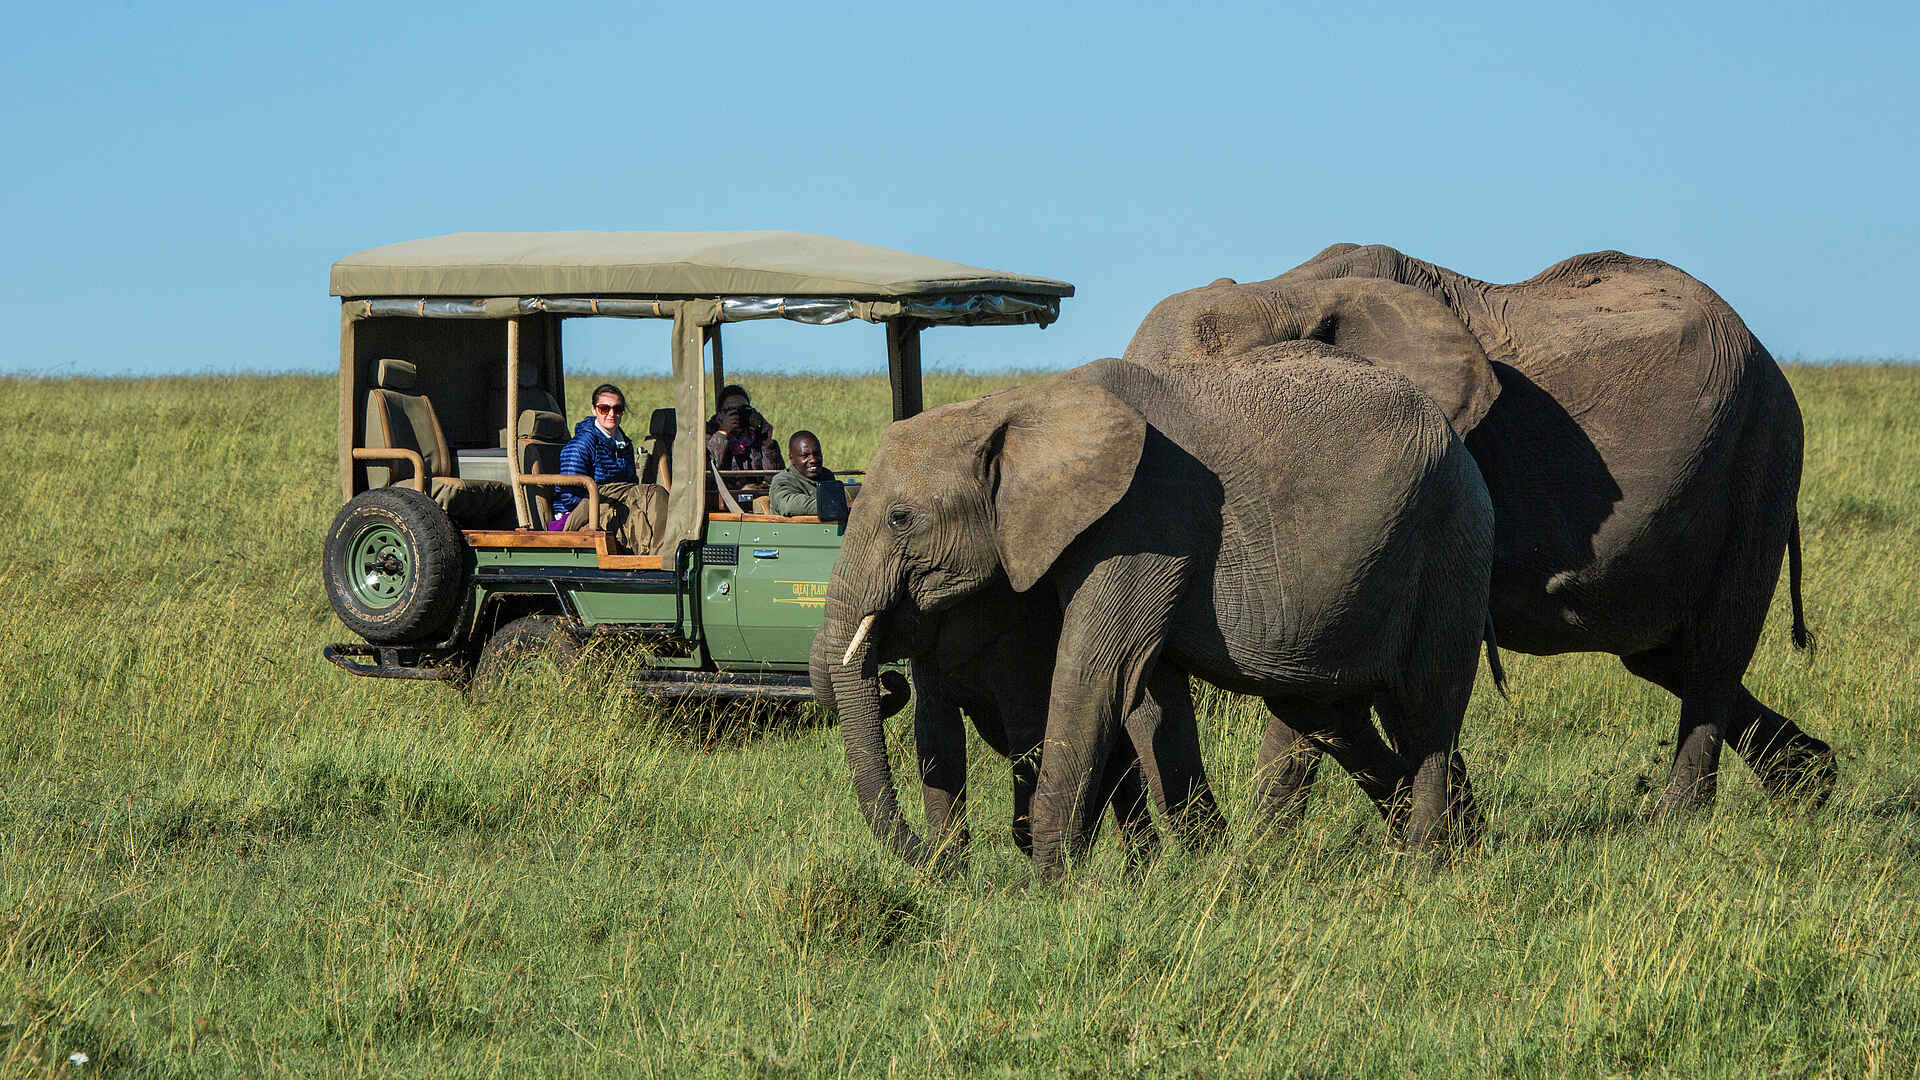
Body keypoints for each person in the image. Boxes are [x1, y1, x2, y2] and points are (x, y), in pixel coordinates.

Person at [555, 383, 668, 553]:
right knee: (632, 514)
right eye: (604, 409)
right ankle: (654, 557)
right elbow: (568, 496)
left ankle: (664, 555)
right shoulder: (581, 445)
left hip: (616, 498)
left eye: (617, 409)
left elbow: (631, 484)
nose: (611, 414)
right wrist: (607, 504)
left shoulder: (624, 443)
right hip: (584, 508)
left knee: (654, 494)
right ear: (594, 410)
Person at [705, 384, 784, 471]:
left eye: (743, 409)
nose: (739, 415)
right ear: (720, 414)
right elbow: (707, 469)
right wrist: (723, 433)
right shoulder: (708, 434)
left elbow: (774, 476)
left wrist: (767, 444)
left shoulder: (756, 436)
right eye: (732, 410)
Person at [769, 430, 848, 517]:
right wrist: (833, 506)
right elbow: (787, 505)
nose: (813, 460)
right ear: (792, 458)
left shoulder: (826, 475)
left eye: (817, 454)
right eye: (805, 456)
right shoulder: (783, 480)